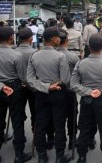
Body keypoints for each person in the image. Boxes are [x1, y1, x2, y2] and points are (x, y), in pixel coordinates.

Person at [70, 34, 102, 163]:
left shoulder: (80, 63)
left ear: (88, 47)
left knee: (85, 129)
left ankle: (82, 157)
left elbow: (73, 84)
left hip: (87, 99)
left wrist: (88, 91)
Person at [27, 27, 72, 163]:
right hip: (58, 93)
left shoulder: (34, 55)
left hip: (41, 94)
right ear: (53, 39)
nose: (60, 39)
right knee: (59, 124)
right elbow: (65, 79)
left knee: (41, 124)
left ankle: (42, 155)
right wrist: (52, 85)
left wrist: (45, 86)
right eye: (58, 37)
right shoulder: (60, 56)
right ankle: (59, 156)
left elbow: (30, 79)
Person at [0, 27, 31, 163]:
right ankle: (19, 154)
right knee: (17, 121)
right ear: (11, 38)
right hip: (14, 87)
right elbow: (23, 77)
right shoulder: (15, 55)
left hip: (0, 87)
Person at [57, 29, 80, 150]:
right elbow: (79, 74)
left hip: (54, 90)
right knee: (72, 116)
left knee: (58, 117)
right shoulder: (73, 57)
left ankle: (57, 140)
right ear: (66, 41)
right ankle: (72, 139)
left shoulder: (52, 55)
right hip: (70, 91)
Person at [15, 28, 37, 134]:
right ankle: (36, 135)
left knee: (18, 113)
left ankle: (19, 137)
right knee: (35, 112)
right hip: (32, 87)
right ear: (31, 39)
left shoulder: (13, 52)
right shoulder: (35, 53)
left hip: (18, 86)